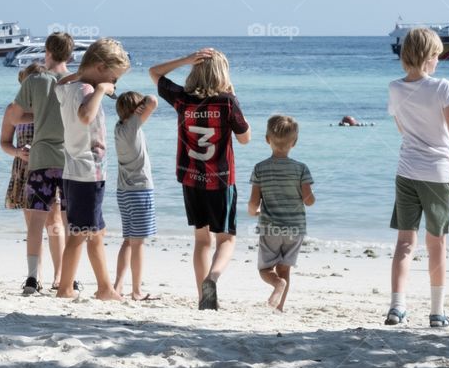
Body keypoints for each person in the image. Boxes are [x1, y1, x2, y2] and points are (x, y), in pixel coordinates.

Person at [385, 28, 449, 328]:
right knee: (437, 244)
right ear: (427, 57)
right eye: (437, 55)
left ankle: (397, 308)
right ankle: (437, 312)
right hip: (437, 174)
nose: (439, 60)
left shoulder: (395, 88)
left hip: (406, 171)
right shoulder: (443, 88)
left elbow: (404, 128)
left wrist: (444, 126)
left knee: (404, 244)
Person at [149, 49, 251, 310]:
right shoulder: (227, 101)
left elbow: (154, 72)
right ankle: (213, 279)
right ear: (223, 74)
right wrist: (234, 94)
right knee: (226, 239)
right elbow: (245, 137)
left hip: (191, 178)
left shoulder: (182, 98)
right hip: (220, 180)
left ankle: (202, 298)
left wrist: (184, 60)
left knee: (201, 239)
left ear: (195, 70)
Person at [54, 38, 130, 300]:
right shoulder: (87, 91)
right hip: (87, 172)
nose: (114, 84)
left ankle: (105, 288)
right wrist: (100, 90)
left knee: (96, 232)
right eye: (113, 76)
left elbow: (61, 82)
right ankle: (64, 289)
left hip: (78, 171)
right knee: (78, 234)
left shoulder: (71, 86)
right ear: (100, 67)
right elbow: (85, 116)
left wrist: (88, 76)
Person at [8, 32, 74, 295]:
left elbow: (14, 117)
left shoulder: (35, 80)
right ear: (70, 55)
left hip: (41, 158)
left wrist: (41, 111)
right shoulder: (78, 82)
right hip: (71, 159)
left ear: (47, 50)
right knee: (69, 222)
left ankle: (33, 279)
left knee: (36, 221)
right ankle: (68, 278)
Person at [0, 63, 64, 291]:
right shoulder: (13, 110)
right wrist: (18, 152)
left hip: (48, 163)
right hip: (25, 168)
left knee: (54, 223)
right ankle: (36, 277)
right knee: (33, 225)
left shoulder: (49, 106)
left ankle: (60, 275)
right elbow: (4, 143)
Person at [247, 115, 315, 312]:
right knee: (284, 268)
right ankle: (279, 308)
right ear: (294, 142)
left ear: (267, 139)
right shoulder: (301, 169)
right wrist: (312, 198)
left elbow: (253, 202)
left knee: (265, 269)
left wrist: (254, 211)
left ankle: (277, 285)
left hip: (270, 228)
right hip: (295, 228)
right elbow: (308, 200)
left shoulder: (260, 168)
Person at [113, 91, 159, 300]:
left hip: (124, 191)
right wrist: (142, 106)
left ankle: (118, 286)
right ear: (134, 111)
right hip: (140, 191)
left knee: (128, 241)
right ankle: (137, 291)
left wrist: (137, 109)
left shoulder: (119, 127)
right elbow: (153, 101)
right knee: (138, 242)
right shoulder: (132, 126)